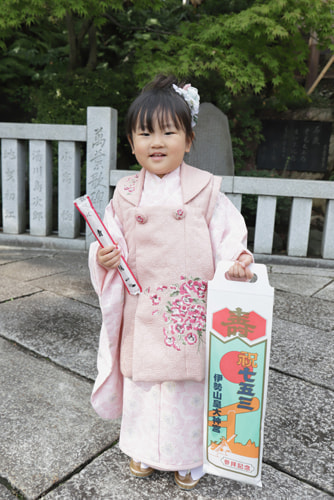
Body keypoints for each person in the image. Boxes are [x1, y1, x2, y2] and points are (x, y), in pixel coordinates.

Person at [88, 74, 253, 490]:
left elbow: (229, 237)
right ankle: (143, 448)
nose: (156, 142)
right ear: (131, 142)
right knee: (144, 381)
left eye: (168, 131)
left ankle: (187, 455)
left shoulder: (206, 192)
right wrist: (105, 258)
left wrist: (235, 262)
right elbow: (111, 244)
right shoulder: (124, 195)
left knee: (185, 384)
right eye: (145, 132)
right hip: (144, 307)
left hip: (187, 308)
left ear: (189, 139)